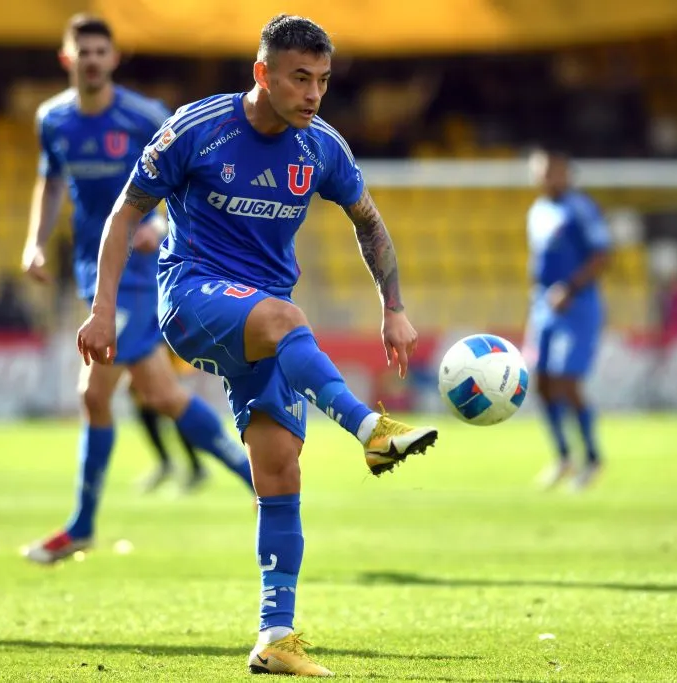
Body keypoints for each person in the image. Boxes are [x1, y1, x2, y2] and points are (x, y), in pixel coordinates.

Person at [76, 14, 438, 677]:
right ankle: (370, 428)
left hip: (264, 316)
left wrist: (394, 307)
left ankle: (275, 636)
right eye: (300, 78)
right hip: (191, 296)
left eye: (324, 81)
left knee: (278, 471)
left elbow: (370, 222)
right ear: (263, 73)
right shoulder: (198, 127)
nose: (313, 94)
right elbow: (126, 211)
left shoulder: (320, 147)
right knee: (283, 317)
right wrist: (102, 310)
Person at [20, 14, 253, 565]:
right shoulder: (52, 119)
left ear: (114, 59)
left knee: (92, 394)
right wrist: (33, 242)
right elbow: (49, 179)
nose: (93, 59)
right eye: (85, 51)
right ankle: (259, 477)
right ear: (67, 59)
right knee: (164, 396)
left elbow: (188, 179)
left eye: (102, 51)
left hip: (140, 274)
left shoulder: (145, 116)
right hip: (92, 268)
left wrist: (161, 226)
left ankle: (80, 526)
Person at [523, 150, 610, 491]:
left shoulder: (581, 208)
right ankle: (563, 457)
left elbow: (603, 255)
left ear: (566, 174)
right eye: (543, 173)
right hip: (543, 306)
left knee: (568, 383)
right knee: (541, 382)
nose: (549, 179)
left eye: (554, 172)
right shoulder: (537, 211)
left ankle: (591, 458)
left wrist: (570, 288)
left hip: (578, 305)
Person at [131, 349, 209, 494]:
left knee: (172, 403)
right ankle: (170, 462)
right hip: (151, 345)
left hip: (163, 345)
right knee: (142, 395)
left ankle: (195, 465)